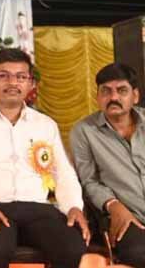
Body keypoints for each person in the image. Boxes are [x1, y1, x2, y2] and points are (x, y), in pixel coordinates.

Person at [0, 48, 89, 268]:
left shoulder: (45, 124)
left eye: (20, 77)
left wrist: (74, 207)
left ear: (30, 83)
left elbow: (64, 174)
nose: (12, 83)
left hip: (38, 210)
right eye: (3, 75)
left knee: (72, 247)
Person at [71, 63, 145, 268]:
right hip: (128, 215)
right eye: (106, 91)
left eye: (121, 90)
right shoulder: (84, 131)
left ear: (135, 96)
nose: (113, 97)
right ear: (98, 96)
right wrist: (113, 205)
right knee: (139, 253)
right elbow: (89, 181)